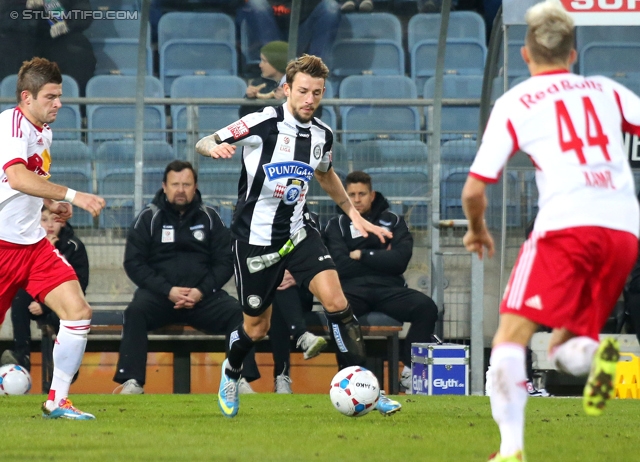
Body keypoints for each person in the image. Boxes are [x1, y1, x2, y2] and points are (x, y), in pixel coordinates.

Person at [461, 2, 640, 461]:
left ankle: (511, 449)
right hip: (623, 229)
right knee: (570, 342)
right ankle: (597, 361)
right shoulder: (607, 90)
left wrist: (477, 229)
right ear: (574, 54)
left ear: (525, 54)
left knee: (509, 338)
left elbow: (474, 191)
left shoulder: (516, 102)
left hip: (567, 225)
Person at [196, 54, 401, 418]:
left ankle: (364, 386)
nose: (310, 99)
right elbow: (206, 139)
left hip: (299, 231)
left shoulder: (322, 134)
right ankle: (231, 372)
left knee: (337, 302)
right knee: (255, 327)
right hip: (255, 240)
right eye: (303, 91)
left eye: (317, 93)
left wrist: (355, 216)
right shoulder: (262, 122)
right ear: (287, 89)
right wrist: (215, 147)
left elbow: (326, 175)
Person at [0, 57, 105, 419]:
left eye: (59, 96)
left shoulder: (44, 129)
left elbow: (29, 181)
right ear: (26, 97)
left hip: (31, 246)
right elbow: (15, 177)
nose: (58, 103)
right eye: (50, 96)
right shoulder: (12, 124)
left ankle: (57, 400)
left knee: (77, 312)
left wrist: (48, 200)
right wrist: (73, 196)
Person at [113, 160, 260, 394]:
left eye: (186, 184)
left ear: (195, 186)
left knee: (236, 313)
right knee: (135, 312)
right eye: (175, 184)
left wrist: (201, 291)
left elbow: (226, 261)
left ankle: (238, 378)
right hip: (161, 297)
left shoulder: (210, 217)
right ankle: (132, 381)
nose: (181, 189)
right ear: (164, 186)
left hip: (203, 298)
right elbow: (133, 263)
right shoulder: (148, 218)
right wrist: (167, 290)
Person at [324, 171, 439, 393]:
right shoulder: (335, 225)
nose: (356, 199)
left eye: (362, 194)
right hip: (352, 289)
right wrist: (380, 255)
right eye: (351, 194)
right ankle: (355, 377)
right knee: (337, 311)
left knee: (426, 307)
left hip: (389, 288)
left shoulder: (394, 222)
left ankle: (409, 370)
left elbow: (399, 262)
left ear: (372, 194)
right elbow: (338, 265)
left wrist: (361, 254)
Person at [1, 207, 89, 378]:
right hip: (34, 301)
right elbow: (24, 278)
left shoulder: (74, 246)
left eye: (54, 219)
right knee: (19, 301)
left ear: (62, 222)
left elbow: (80, 283)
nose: (49, 225)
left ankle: (66, 363)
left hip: (57, 305)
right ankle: (22, 356)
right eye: (44, 219)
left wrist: (44, 306)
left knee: (63, 316)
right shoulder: (28, 244)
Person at [0, 0, 96, 95]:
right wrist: (26, 4)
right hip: (18, 38)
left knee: (79, 53)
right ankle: (10, 103)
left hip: (59, 39)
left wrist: (66, 23)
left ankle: (71, 105)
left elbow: (84, 14)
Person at [241, 1, 340, 63]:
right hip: (270, 31)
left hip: (302, 32)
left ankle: (315, 68)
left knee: (330, 6)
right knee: (256, 3)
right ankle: (276, 64)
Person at [239, 40, 288, 119]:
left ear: (277, 63)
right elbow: (245, 118)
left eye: (264, 61)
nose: (260, 65)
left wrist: (287, 101)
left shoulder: (297, 85)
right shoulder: (257, 83)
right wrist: (250, 99)